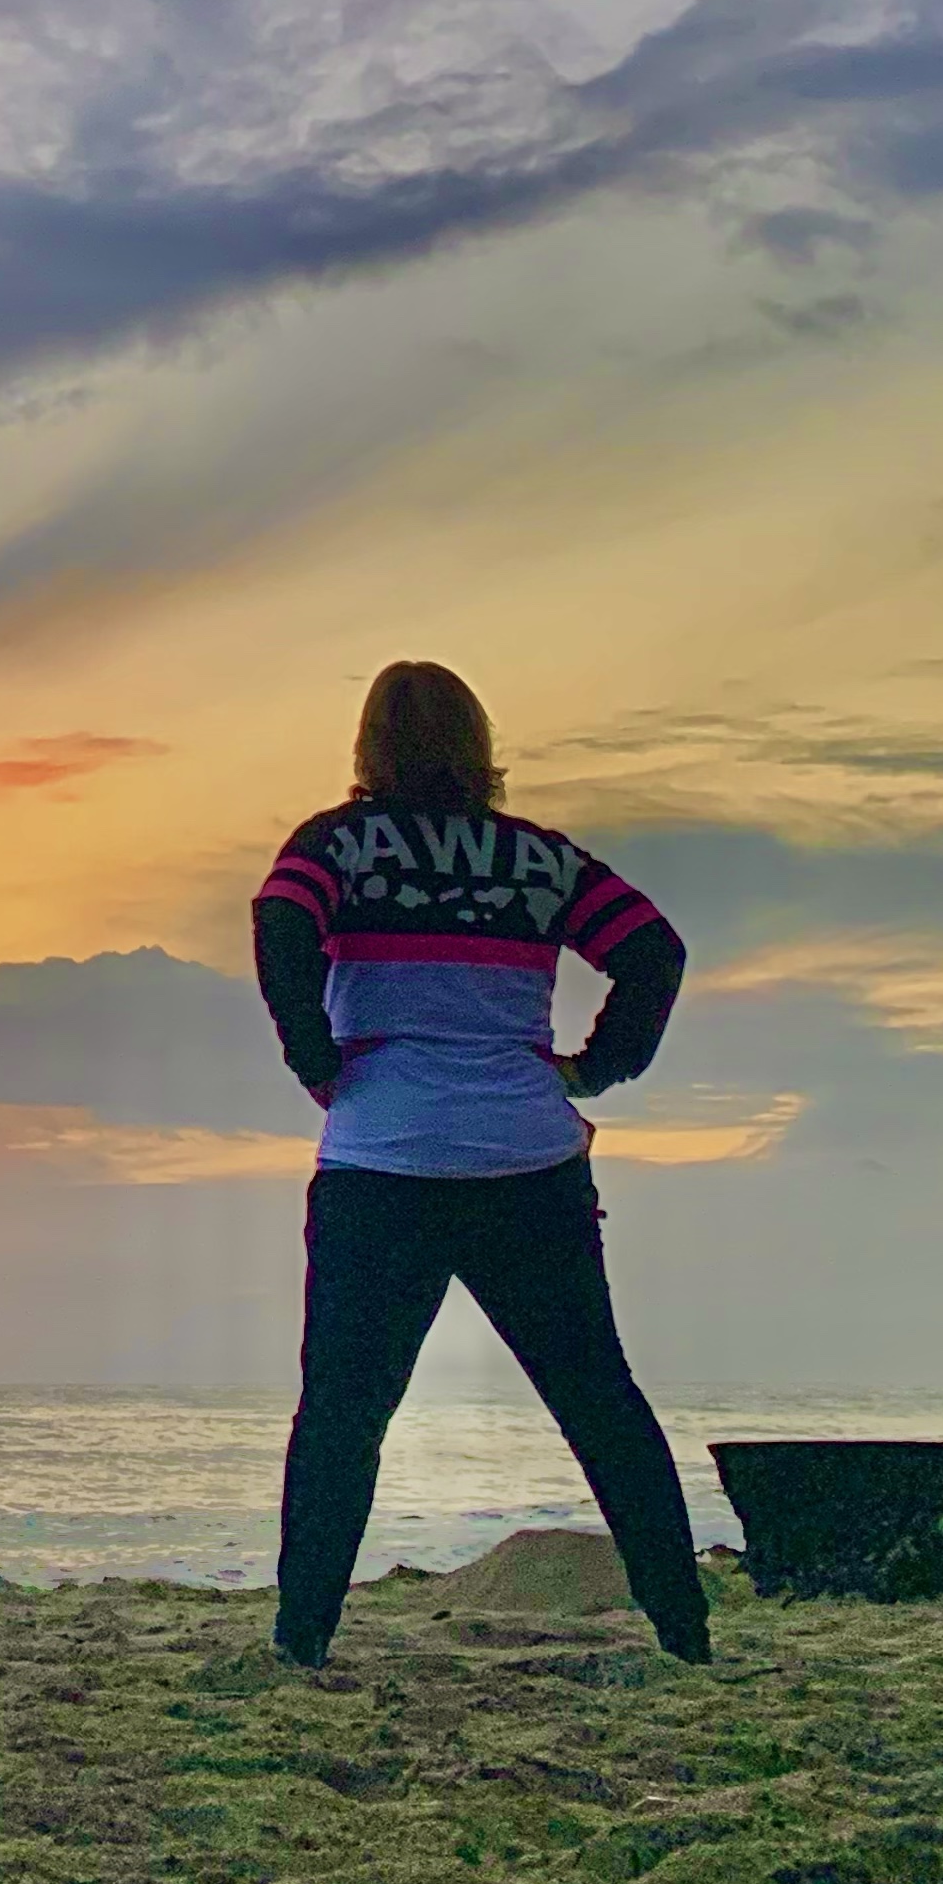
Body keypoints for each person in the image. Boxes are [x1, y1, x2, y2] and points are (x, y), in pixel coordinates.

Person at [252, 657, 710, 1670]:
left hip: (381, 1165)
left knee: (342, 1417)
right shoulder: (541, 859)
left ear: (370, 747)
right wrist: (594, 1067)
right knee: (601, 1403)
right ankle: (686, 1634)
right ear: (479, 746)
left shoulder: (333, 845)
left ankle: (301, 1644)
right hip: (529, 1164)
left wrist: (315, 1059)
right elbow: (654, 951)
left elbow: (281, 921)